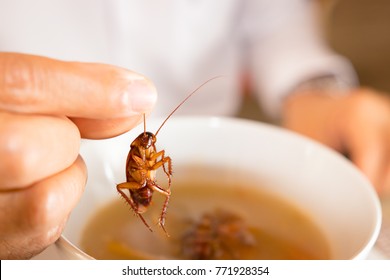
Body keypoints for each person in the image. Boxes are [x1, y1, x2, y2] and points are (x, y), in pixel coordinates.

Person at [0, 0, 389, 259]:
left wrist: (312, 90)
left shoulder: (157, 154)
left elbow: (274, 15)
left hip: (224, 144)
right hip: (27, 175)